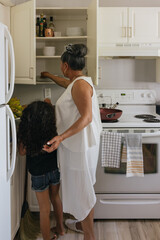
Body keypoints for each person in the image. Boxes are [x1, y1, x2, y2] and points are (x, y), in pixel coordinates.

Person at [41, 43, 102, 240]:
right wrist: (49, 76)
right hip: (78, 147)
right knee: (82, 190)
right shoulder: (77, 81)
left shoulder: (80, 85)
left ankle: (89, 236)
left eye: (60, 65)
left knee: (82, 192)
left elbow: (86, 117)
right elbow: (64, 83)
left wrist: (60, 137)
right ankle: (84, 228)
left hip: (79, 149)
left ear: (65, 65)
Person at [17, 101, 64, 240]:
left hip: (38, 174)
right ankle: (60, 228)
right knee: (55, 198)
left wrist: (21, 135)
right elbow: (49, 107)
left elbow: (21, 152)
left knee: (44, 208)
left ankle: (46, 238)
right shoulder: (52, 129)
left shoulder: (29, 133)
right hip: (54, 170)